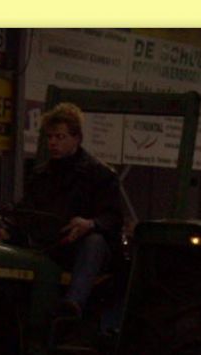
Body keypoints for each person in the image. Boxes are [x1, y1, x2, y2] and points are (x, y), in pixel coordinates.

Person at [19, 102, 124, 317]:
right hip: (49, 243)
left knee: (94, 242)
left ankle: (72, 305)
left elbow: (114, 216)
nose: (53, 142)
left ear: (77, 138)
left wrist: (90, 224)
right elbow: (26, 211)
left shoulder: (99, 174)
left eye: (60, 137)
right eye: (50, 137)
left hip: (80, 248)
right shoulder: (40, 176)